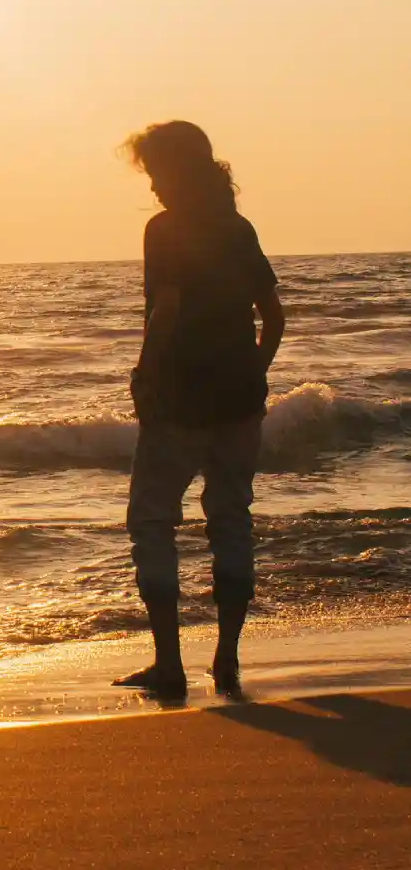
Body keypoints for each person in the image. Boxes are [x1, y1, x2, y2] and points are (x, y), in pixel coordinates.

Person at [116, 121, 285, 700]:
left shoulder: (165, 231)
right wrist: (252, 373)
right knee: (232, 521)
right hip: (241, 404)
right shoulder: (238, 229)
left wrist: (145, 376)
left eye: (158, 173)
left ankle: (169, 663)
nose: (155, 187)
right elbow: (275, 317)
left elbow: (166, 311)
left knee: (153, 520)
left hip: (180, 402)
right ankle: (227, 661)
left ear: (178, 170)